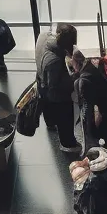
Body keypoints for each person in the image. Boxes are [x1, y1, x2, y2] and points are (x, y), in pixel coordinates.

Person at [35, 22, 79, 152]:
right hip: (53, 90)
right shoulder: (54, 60)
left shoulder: (43, 36)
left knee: (47, 104)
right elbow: (55, 86)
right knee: (64, 112)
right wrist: (74, 78)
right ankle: (68, 144)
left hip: (40, 78)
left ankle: (51, 123)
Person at [70, 49, 107, 155]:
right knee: (106, 125)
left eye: (73, 64)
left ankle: (104, 147)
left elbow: (87, 108)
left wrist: (88, 124)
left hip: (102, 103)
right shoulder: (90, 64)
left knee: (102, 125)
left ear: (77, 63)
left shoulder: (84, 80)